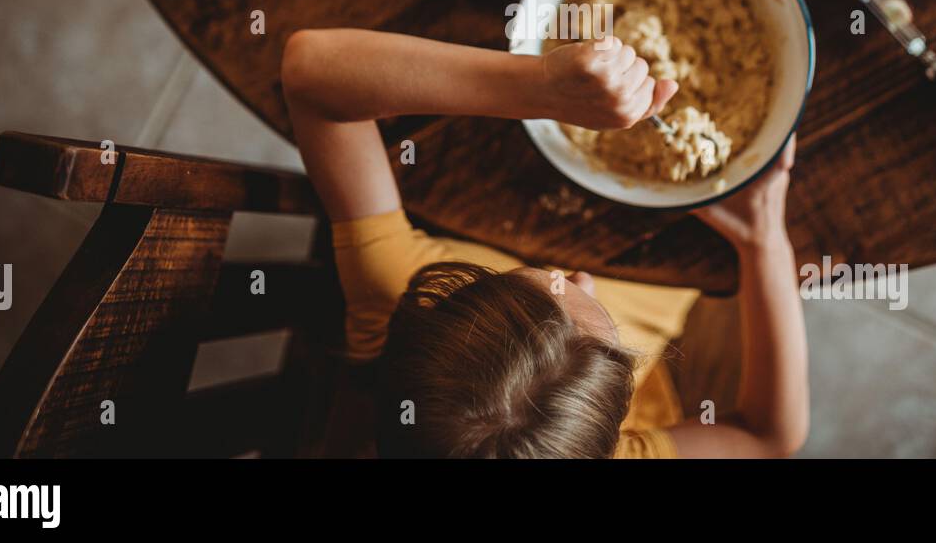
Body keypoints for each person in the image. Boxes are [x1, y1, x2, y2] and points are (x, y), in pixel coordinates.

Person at [282, 27, 808, 458]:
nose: (582, 277)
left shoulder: (388, 290)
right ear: (614, 434)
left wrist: (539, 89)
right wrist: (765, 242)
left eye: (540, 283)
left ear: (445, 298)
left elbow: (309, 70)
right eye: (614, 347)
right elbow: (769, 436)